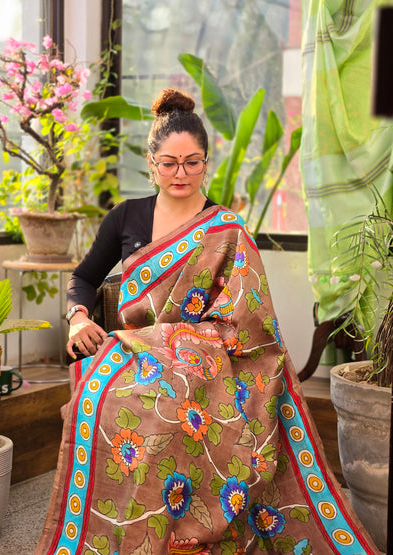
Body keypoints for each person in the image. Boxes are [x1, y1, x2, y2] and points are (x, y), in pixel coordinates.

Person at [36, 89, 378, 554]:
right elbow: (83, 277)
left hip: (207, 355)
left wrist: (185, 341)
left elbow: (249, 318)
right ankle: (128, 527)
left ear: (206, 162)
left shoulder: (225, 229)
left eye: (192, 162)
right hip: (132, 349)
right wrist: (78, 317)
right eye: (170, 163)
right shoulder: (126, 216)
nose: (181, 174)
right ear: (152, 162)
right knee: (109, 402)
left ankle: (180, 525)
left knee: (174, 403)